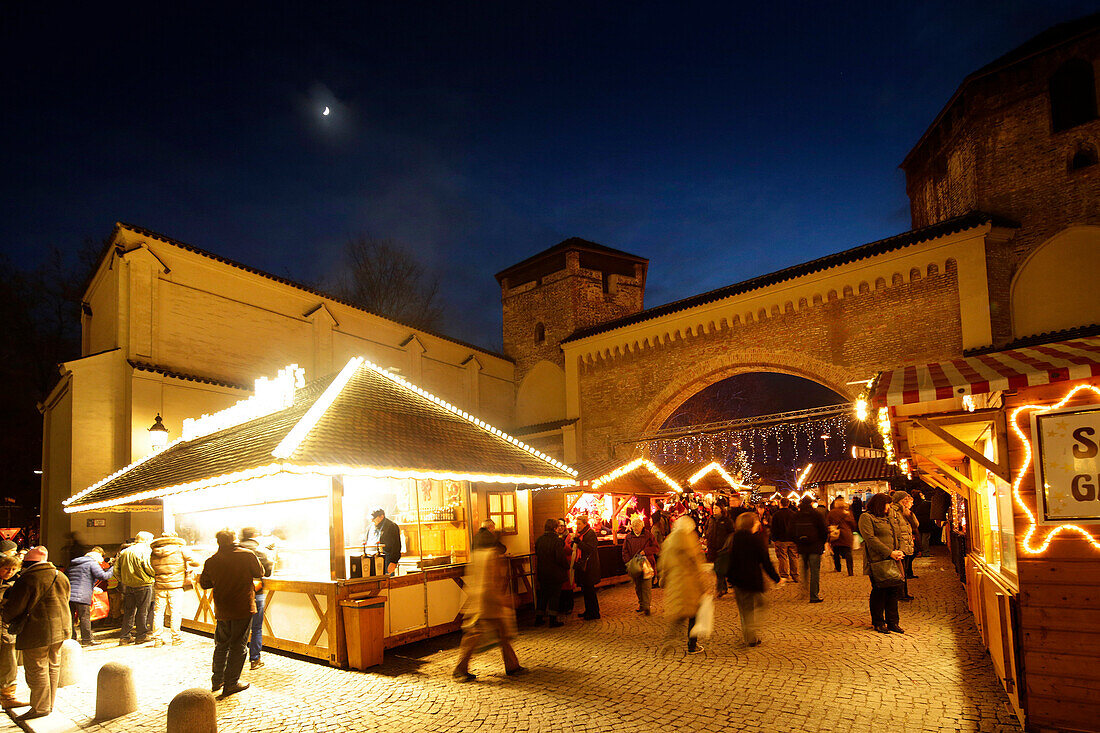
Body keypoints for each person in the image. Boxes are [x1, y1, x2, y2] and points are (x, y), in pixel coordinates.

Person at [1, 546, 72, 720]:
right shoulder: (60, 575)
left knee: (37, 669)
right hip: (61, 629)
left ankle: (39, 708)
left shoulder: (28, 578)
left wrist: (5, 615)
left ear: (28, 563)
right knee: (53, 666)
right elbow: (66, 599)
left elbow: (15, 608)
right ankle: (49, 705)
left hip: (37, 631)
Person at [199, 529, 263, 697]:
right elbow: (260, 573)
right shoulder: (247, 555)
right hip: (243, 607)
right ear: (234, 539)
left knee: (221, 645)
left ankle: (217, 681)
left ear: (218, 541)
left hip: (222, 609)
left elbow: (204, 584)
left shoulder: (212, 560)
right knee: (239, 646)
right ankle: (231, 684)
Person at [453, 541, 524, 681]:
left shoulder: (478, 555)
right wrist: (504, 600)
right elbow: (488, 584)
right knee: (474, 636)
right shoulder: (491, 557)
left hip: (482, 602)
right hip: (486, 604)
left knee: (502, 633)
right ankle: (459, 670)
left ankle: (513, 666)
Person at [726, 512, 783, 646]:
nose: (758, 523)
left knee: (744, 609)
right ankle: (751, 636)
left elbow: (728, 559)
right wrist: (776, 578)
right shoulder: (754, 540)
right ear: (750, 524)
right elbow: (765, 561)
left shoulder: (733, 538)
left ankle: (749, 636)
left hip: (736, 579)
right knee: (760, 605)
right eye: (756, 521)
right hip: (751, 579)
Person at [658, 516, 708, 654]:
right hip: (690, 584)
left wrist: (663, 579)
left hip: (675, 583)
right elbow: (696, 563)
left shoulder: (669, 541)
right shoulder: (689, 540)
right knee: (694, 614)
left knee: (678, 615)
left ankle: (669, 639)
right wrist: (703, 585)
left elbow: (663, 563)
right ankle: (692, 645)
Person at [858, 494, 905, 633]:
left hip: (894, 558)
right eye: (887, 504)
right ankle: (878, 622)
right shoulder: (866, 517)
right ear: (879, 504)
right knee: (880, 590)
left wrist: (899, 551)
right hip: (877, 560)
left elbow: (898, 534)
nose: (889, 507)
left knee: (893, 590)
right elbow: (870, 539)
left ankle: (893, 622)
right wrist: (889, 552)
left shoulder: (889, 517)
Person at [149, 532, 198, 648]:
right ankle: (176, 638)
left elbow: (152, 566)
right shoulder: (180, 550)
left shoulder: (154, 552)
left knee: (158, 613)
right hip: (176, 586)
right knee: (175, 612)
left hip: (160, 585)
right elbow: (197, 561)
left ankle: (157, 640)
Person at [238, 528, 273, 669]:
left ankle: (237, 661)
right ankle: (255, 660)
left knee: (239, 628)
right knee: (256, 628)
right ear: (254, 535)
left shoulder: (236, 550)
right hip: (256, 592)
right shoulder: (259, 550)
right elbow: (267, 571)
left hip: (238, 593)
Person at [64, 546, 113, 646]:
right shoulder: (92, 563)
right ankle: (87, 639)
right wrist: (112, 568)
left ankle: (72, 639)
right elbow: (103, 576)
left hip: (69, 594)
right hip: (82, 595)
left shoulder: (74, 563)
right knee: (84, 617)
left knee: (70, 617)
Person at [116, 530, 155, 644]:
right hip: (144, 584)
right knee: (143, 611)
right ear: (146, 540)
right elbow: (148, 568)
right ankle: (141, 636)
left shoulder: (124, 552)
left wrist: (123, 580)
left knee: (129, 612)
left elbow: (116, 570)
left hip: (128, 586)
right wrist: (154, 575)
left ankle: (124, 637)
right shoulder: (146, 551)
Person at [0, 553, 26, 710]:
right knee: (8, 662)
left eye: (13, 569)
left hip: (7, 629)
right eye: (6, 569)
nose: (9, 572)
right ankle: (7, 696)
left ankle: (8, 695)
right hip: (3, 629)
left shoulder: (13, 584)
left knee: (10, 663)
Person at [533, 519, 568, 627]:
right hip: (555, 573)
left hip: (543, 572)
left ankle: (539, 618)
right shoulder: (556, 541)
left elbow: (537, 553)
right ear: (555, 528)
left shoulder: (539, 540)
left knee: (543, 595)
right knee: (554, 596)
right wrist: (566, 566)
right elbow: (560, 558)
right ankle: (553, 620)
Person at [621, 516, 658, 615]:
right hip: (634, 566)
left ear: (642, 526)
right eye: (633, 526)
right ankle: (641, 604)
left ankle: (646, 606)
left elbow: (656, 548)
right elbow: (625, 551)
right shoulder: (628, 537)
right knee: (638, 586)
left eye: (637, 526)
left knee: (646, 586)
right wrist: (628, 562)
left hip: (647, 565)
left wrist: (645, 552)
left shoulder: (649, 535)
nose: (635, 528)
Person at [793, 497, 827, 603]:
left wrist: (797, 542)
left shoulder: (797, 515)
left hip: (802, 547)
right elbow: (823, 530)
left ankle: (803, 591)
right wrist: (822, 542)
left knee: (804, 570)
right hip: (815, 546)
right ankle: (813, 595)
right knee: (814, 571)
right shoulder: (816, 515)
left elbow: (791, 530)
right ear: (811, 503)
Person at [890, 490, 919, 600]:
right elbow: (895, 528)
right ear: (903, 501)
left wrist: (909, 514)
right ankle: (901, 594)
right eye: (908, 500)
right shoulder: (894, 511)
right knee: (901, 570)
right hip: (900, 544)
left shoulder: (906, 511)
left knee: (904, 569)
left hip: (907, 542)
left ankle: (904, 593)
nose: (911, 504)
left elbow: (916, 525)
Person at [573, 514, 601, 620]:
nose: (577, 526)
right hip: (583, 566)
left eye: (579, 524)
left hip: (589, 566)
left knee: (590, 590)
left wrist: (579, 543)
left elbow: (590, 548)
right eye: (577, 524)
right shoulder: (581, 534)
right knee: (585, 589)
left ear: (584, 523)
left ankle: (594, 612)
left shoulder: (590, 534)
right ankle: (588, 610)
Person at [703, 506, 733, 598]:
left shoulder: (726, 520)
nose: (714, 510)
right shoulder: (710, 519)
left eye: (716, 508)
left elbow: (731, 533)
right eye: (714, 508)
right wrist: (706, 538)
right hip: (712, 548)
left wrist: (727, 545)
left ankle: (720, 588)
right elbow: (706, 529)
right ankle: (723, 588)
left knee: (720, 569)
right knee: (718, 569)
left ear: (721, 509)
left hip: (723, 548)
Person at [826, 497, 858, 576]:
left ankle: (838, 568)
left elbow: (827, 523)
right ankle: (850, 570)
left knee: (836, 552)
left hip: (836, 534)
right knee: (848, 553)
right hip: (846, 534)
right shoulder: (847, 512)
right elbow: (853, 524)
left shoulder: (832, 512)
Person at [364, 508, 402, 575]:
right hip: (371, 559)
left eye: (374, 518)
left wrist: (393, 562)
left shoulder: (391, 526)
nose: (372, 520)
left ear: (382, 516)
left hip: (387, 560)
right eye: (371, 519)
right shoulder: (370, 527)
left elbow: (396, 546)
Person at [769, 498, 799, 583]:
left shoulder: (776, 515)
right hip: (792, 539)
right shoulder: (794, 514)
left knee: (782, 558)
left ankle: (784, 575)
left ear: (780, 504)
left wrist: (774, 539)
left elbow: (773, 528)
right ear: (788, 504)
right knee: (793, 557)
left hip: (781, 539)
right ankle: (795, 575)